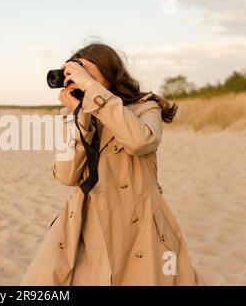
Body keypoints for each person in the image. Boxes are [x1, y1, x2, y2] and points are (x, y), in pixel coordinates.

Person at [20, 42, 204, 285]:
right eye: (72, 72)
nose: (76, 77)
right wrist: (82, 119)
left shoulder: (145, 108)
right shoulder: (76, 115)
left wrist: (94, 94)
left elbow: (140, 141)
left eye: (83, 71)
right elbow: (66, 176)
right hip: (86, 226)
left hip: (138, 226)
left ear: (107, 73)